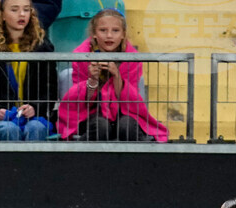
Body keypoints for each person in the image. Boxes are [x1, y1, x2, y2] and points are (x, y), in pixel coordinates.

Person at [56, 9, 167, 142]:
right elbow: (83, 101)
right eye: (103, 30)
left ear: (123, 35)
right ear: (94, 34)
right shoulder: (82, 57)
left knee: (127, 126)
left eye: (115, 31)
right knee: (101, 126)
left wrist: (117, 76)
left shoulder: (132, 59)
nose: (109, 35)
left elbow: (131, 101)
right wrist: (93, 80)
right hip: (91, 112)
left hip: (125, 111)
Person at [0, 0, 57, 140]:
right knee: (9, 129)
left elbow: (50, 89)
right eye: (14, 9)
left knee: (36, 127)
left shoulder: (42, 47)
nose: (22, 14)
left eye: (26, 9)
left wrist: (35, 107)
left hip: (33, 118)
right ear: (2, 15)